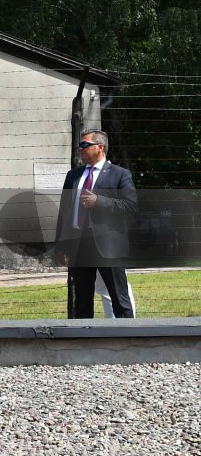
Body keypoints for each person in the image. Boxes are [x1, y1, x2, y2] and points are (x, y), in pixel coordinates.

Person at [55, 129, 137, 318]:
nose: (80, 149)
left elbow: (130, 206)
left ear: (100, 147)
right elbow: (64, 212)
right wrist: (60, 245)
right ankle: (84, 340)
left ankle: (128, 338)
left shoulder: (119, 175)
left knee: (119, 298)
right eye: (80, 145)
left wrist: (98, 201)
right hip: (79, 244)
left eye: (85, 145)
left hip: (108, 246)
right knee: (82, 300)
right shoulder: (73, 176)